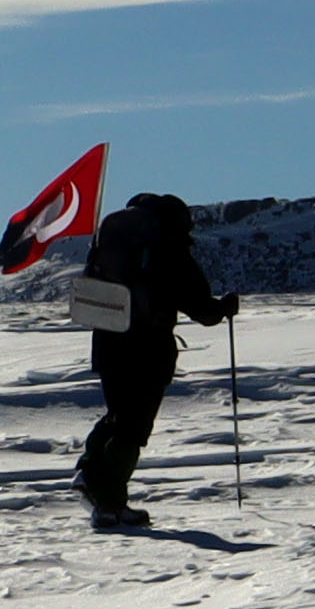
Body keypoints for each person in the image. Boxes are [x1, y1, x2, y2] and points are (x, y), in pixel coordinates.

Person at [69, 192, 234, 531]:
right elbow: (202, 308)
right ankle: (110, 504)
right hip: (148, 348)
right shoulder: (168, 248)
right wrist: (224, 308)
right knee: (133, 427)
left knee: (119, 415)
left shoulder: (112, 242)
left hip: (108, 339)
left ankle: (91, 475)